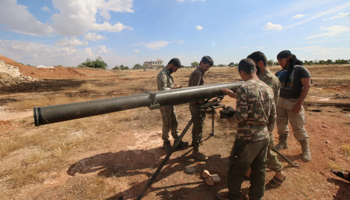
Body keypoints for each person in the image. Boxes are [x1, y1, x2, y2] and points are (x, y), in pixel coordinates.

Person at [218, 58, 276, 200]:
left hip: (247, 138)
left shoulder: (244, 88)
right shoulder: (268, 88)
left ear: (242, 72)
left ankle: (233, 196)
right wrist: (268, 132)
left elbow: (241, 116)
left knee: (236, 170)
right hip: (263, 136)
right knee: (259, 169)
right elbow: (273, 115)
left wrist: (229, 118)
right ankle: (256, 196)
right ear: (256, 70)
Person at [247, 51, 286, 188]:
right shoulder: (261, 77)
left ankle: (280, 174)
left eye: (252, 65)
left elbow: (261, 101)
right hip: (260, 119)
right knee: (255, 147)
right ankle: (249, 171)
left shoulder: (268, 79)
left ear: (260, 63)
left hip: (264, 121)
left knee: (266, 149)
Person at [274, 50, 311, 162]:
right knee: (281, 124)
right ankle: (283, 142)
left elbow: (306, 86)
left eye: (281, 60)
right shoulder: (279, 72)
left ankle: (305, 150)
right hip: (280, 101)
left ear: (288, 58)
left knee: (298, 126)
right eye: (278, 60)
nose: (279, 62)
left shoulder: (300, 69)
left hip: (293, 102)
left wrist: (299, 103)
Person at [157, 58, 188, 152]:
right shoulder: (162, 74)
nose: (175, 71)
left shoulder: (168, 74)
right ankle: (165, 142)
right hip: (165, 103)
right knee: (166, 123)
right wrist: (176, 88)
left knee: (174, 121)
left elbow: (168, 87)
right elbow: (163, 90)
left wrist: (174, 88)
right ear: (171, 65)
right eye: (175, 69)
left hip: (171, 102)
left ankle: (177, 140)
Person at [188, 56, 214, 161]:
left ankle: (194, 143)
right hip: (196, 104)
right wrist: (200, 102)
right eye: (206, 66)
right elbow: (194, 91)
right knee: (199, 126)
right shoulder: (198, 73)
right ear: (202, 63)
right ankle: (196, 150)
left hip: (195, 103)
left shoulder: (199, 72)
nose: (207, 69)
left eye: (209, 67)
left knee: (197, 125)